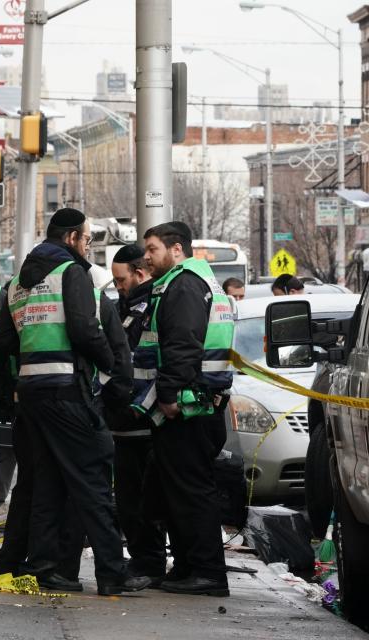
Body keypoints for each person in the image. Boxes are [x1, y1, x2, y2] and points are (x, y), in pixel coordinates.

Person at [0, 208, 148, 595]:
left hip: (31, 397)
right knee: (93, 482)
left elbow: (3, 347)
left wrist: (5, 401)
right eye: (86, 239)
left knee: (45, 482)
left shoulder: (16, 285)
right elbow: (83, 328)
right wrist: (109, 362)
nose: (88, 246)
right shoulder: (71, 274)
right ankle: (112, 573)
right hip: (68, 393)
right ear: (71, 239)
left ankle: (46, 568)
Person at [137, 221, 234, 597]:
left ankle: (208, 573)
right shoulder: (203, 283)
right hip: (201, 405)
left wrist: (168, 395)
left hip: (188, 409)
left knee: (192, 492)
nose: (147, 256)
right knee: (175, 490)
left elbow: (181, 345)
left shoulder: (184, 286)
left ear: (177, 250)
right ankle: (188, 566)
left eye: (153, 249)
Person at [108, 244, 167, 584]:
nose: (118, 286)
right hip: (125, 419)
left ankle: (150, 563)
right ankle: (145, 562)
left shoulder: (151, 308)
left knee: (142, 501)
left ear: (139, 273)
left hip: (143, 418)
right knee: (129, 500)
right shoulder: (124, 307)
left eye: (121, 280)